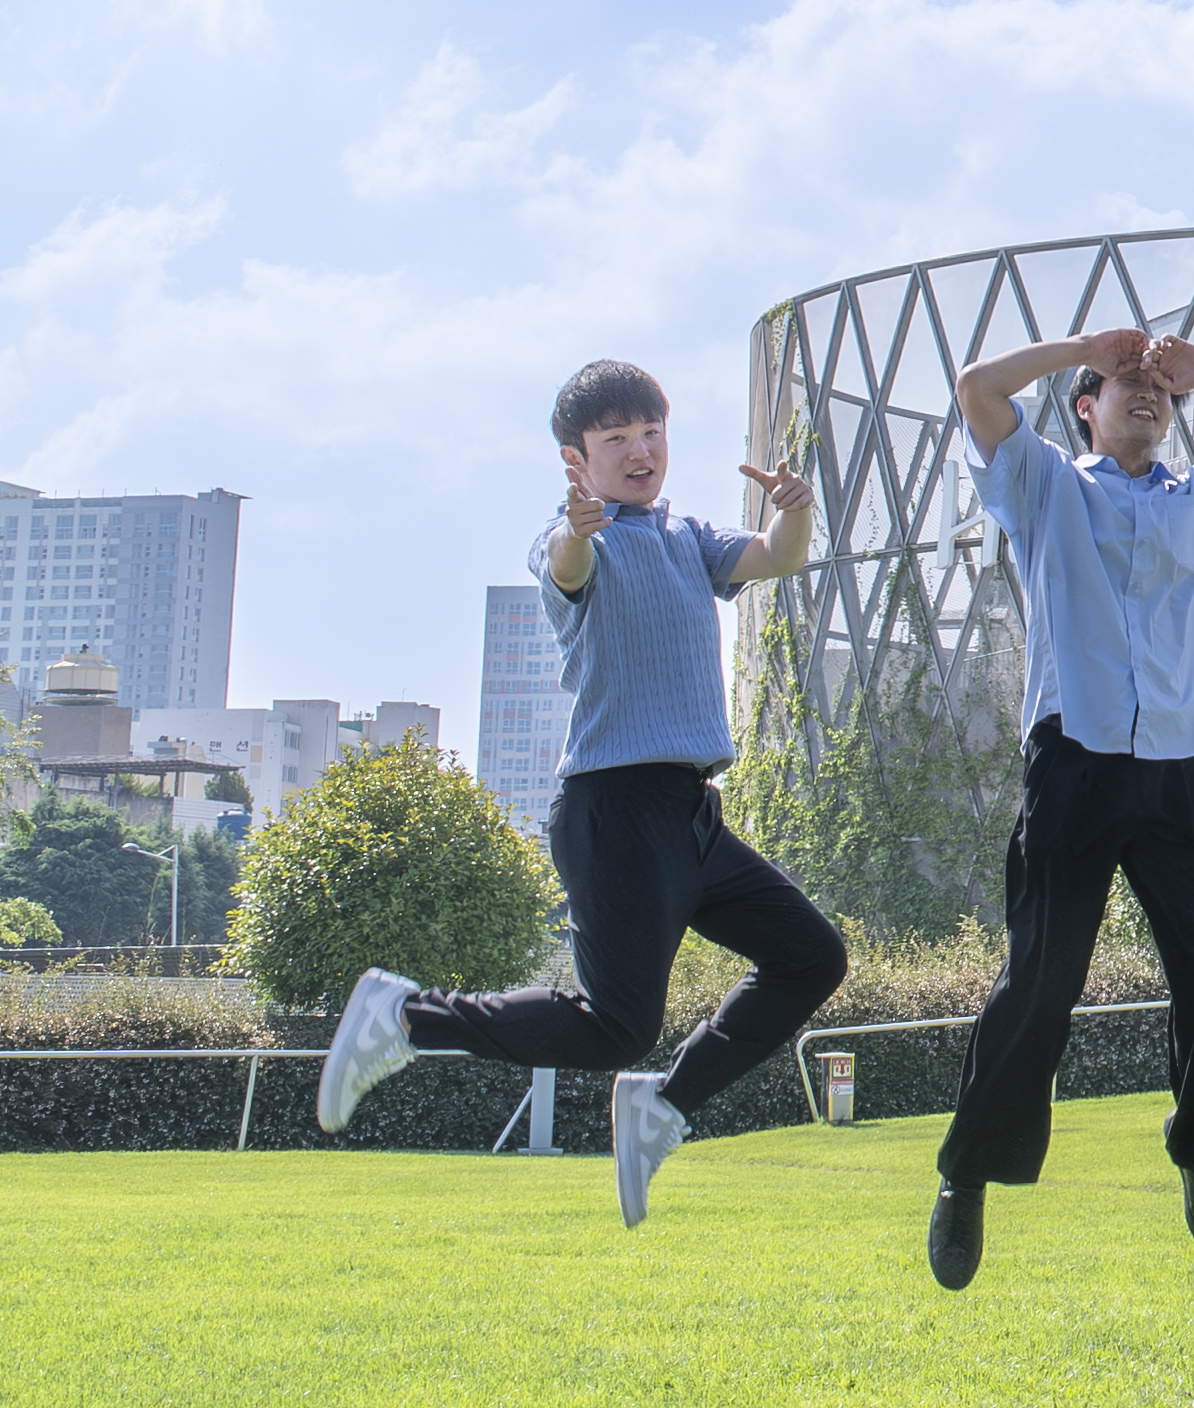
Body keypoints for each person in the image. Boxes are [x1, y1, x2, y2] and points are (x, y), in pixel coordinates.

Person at [317, 360, 849, 1228]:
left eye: (652, 433)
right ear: (579, 457)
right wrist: (575, 528)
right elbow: (566, 570)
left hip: (690, 815)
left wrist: (796, 509)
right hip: (615, 812)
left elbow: (775, 557)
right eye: (617, 440)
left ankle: (665, 1107)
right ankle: (406, 1016)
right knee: (613, 1026)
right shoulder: (573, 537)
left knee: (811, 957)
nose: (641, 452)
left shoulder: (687, 535)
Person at [921, 321, 1194, 1289]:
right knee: (1042, 977)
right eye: (1124, 382)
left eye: (1159, 387)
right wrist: (1081, 346)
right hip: (1075, 758)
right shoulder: (1045, 483)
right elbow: (977, 389)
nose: (1145, 392)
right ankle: (968, 1173)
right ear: (1085, 407)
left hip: (1179, 765)